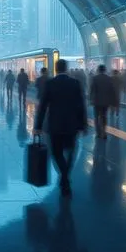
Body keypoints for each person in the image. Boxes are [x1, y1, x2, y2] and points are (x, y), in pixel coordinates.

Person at [35, 59, 87, 197]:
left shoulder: (50, 83)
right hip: (72, 125)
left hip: (54, 125)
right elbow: (81, 105)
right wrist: (83, 124)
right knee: (71, 151)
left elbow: (43, 106)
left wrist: (38, 126)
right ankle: (65, 177)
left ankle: (64, 177)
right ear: (67, 68)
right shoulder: (75, 83)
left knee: (57, 153)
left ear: (56, 69)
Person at [90, 65, 116, 140]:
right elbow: (112, 90)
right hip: (106, 102)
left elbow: (92, 90)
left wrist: (91, 99)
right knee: (104, 116)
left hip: (97, 101)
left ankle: (98, 133)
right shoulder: (109, 78)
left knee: (96, 117)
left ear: (98, 70)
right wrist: (113, 101)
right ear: (105, 70)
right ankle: (104, 132)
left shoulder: (95, 78)